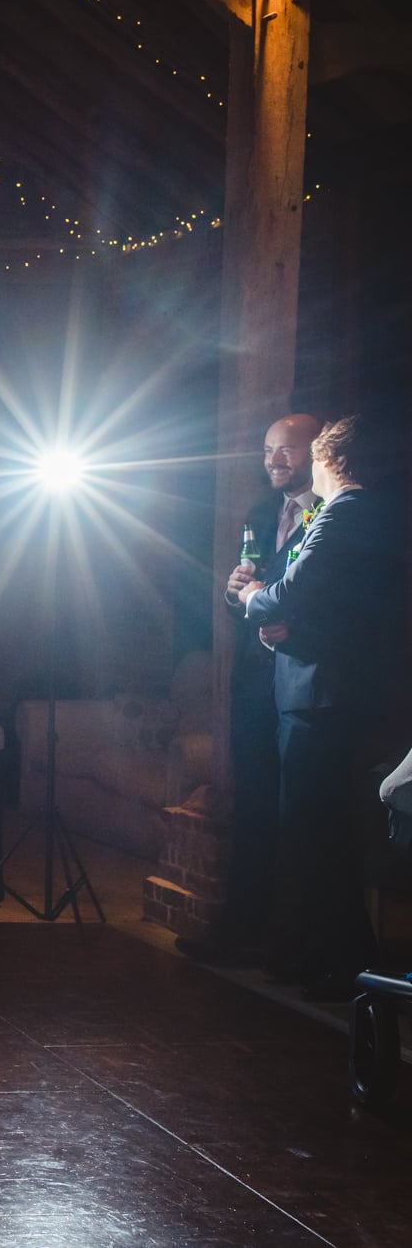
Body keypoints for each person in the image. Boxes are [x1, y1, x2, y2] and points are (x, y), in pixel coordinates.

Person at [242, 415, 395, 1000]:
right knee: (317, 832)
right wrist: (276, 624)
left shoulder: (345, 511)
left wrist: (257, 598)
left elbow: (292, 591)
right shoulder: (361, 513)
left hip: (322, 695)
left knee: (313, 832)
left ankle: (346, 964)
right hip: (320, 686)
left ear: (328, 461)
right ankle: (333, 960)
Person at [183, 414, 321, 965]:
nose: (274, 460)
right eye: (268, 450)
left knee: (299, 812)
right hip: (255, 678)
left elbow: (337, 601)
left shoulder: (331, 514)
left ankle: (289, 941)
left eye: (287, 450)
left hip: (307, 678)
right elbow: (246, 596)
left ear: (318, 453)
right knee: (254, 803)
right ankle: (241, 928)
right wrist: (232, 592)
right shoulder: (263, 513)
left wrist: (297, 625)